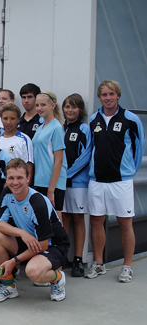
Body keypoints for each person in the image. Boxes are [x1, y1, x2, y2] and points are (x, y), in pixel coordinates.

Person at [86, 80, 145, 283]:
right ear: (99, 97)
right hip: (97, 181)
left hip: (121, 181)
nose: (108, 98)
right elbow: (90, 148)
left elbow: (139, 149)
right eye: (104, 94)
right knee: (96, 221)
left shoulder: (131, 119)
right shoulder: (94, 119)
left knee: (124, 223)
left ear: (118, 95)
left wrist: (128, 172)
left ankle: (127, 266)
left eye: (111, 94)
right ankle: (99, 263)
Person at [0, 158, 69, 302]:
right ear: (6, 179)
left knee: (33, 272)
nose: (15, 182)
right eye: (11, 178)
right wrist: (21, 233)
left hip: (52, 246)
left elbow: (42, 245)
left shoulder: (37, 202)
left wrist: (14, 260)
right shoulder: (7, 193)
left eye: (20, 178)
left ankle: (57, 277)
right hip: (29, 241)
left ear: (28, 179)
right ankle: (9, 286)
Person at [61, 93, 92, 277]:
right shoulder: (61, 128)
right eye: (67, 107)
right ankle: (63, 255)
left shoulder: (84, 129)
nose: (70, 110)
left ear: (79, 110)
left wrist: (68, 173)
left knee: (78, 218)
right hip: (61, 183)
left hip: (78, 183)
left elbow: (86, 155)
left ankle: (78, 259)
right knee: (63, 218)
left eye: (73, 107)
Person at [32, 91, 67, 219]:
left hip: (53, 183)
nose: (39, 108)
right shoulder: (41, 127)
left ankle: (61, 240)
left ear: (52, 106)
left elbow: (59, 160)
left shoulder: (56, 127)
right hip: (40, 180)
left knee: (56, 220)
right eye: (37, 105)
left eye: (43, 105)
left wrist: (51, 190)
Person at [0, 103, 34, 179]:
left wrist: (25, 185)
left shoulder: (24, 139)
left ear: (18, 119)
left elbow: (29, 165)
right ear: (1, 119)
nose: (8, 122)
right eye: (5, 118)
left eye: (12, 118)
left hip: (16, 183)